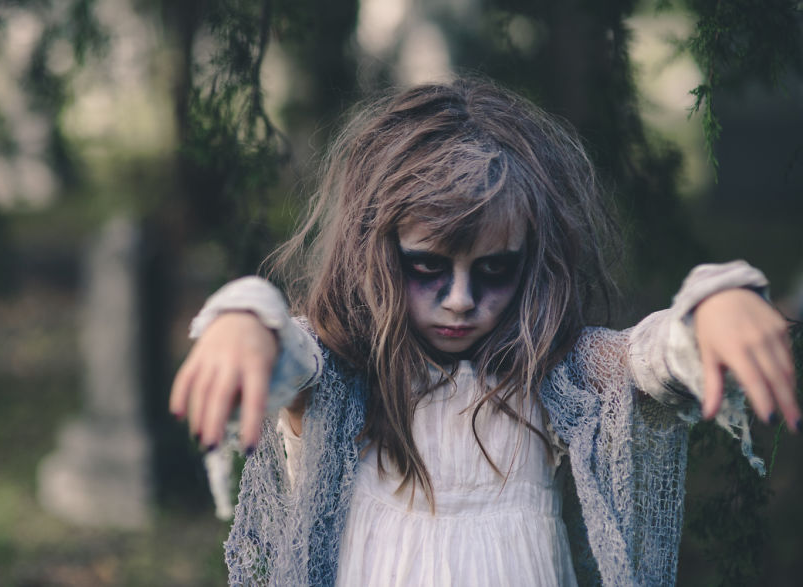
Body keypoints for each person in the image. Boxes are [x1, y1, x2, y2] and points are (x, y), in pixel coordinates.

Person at [169, 78, 799, 586]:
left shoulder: (550, 373)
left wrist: (713, 305)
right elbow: (288, 350)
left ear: (532, 262)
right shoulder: (340, 375)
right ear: (375, 253)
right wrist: (245, 319)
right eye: (427, 267)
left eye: (495, 269)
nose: (462, 301)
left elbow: (648, 355)